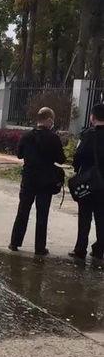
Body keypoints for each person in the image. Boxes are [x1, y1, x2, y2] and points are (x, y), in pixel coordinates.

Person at [9, 107, 66, 256]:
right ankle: (40, 247)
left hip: (28, 178)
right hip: (46, 181)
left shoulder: (26, 136)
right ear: (49, 120)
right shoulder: (53, 138)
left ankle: (14, 242)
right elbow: (61, 159)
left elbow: (19, 155)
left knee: (23, 211)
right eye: (52, 121)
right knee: (42, 214)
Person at [69, 103, 104, 261]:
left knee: (84, 216)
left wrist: (78, 170)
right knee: (101, 217)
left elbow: (78, 156)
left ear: (92, 117)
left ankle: (80, 249)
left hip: (89, 182)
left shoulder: (88, 135)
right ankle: (99, 250)